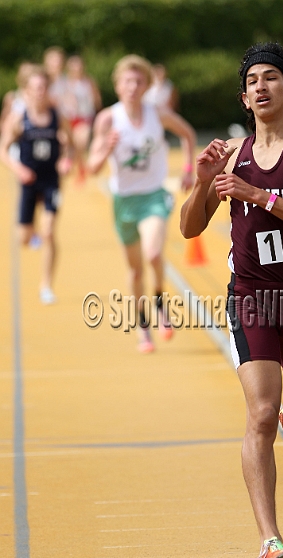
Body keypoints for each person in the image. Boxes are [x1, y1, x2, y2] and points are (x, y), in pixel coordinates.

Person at [180, 42, 283, 558]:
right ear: (245, 99)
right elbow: (189, 228)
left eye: (271, 78)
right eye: (252, 82)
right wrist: (205, 179)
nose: (260, 87)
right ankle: (271, 540)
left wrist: (258, 193)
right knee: (260, 413)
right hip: (250, 297)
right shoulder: (232, 155)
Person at [87, 54, 196, 353]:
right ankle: (142, 326)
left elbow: (188, 134)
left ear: (147, 85)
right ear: (118, 85)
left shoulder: (157, 113)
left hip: (153, 197)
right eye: (127, 81)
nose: (132, 87)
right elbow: (92, 167)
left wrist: (188, 170)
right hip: (124, 201)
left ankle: (160, 303)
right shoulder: (108, 119)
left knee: (153, 253)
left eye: (138, 81)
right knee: (135, 270)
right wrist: (105, 149)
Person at [0, 65, 73, 304]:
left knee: (50, 231)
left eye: (43, 87)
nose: (40, 92)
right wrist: (18, 169)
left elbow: (69, 142)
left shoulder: (56, 115)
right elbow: (3, 150)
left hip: (51, 180)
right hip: (29, 181)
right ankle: (32, 235)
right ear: (27, 91)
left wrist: (66, 159)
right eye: (35, 88)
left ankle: (46, 285)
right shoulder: (19, 117)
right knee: (23, 237)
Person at [64, 54, 102, 182]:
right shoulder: (66, 83)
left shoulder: (89, 82)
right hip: (70, 118)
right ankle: (75, 162)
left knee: (82, 141)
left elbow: (97, 99)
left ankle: (79, 165)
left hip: (85, 117)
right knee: (70, 142)